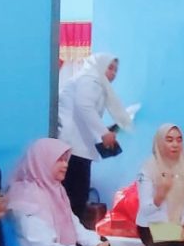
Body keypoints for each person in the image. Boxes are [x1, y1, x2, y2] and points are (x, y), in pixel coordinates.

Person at [8, 138, 121, 246]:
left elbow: (75, 226)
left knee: (102, 244)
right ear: (42, 162)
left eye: (65, 159)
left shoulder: (55, 189)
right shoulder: (26, 197)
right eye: (59, 160)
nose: (65, 165)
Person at [57, 53, 134, 219]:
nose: (113, 73)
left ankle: (74, 232)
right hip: (74, 149)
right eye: (110, 68)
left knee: (74, 199)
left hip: (76, 148)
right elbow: (84, 106)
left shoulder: (91, 81)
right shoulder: (90, 79)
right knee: (75, 199)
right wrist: (103, 133)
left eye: (116, 70)